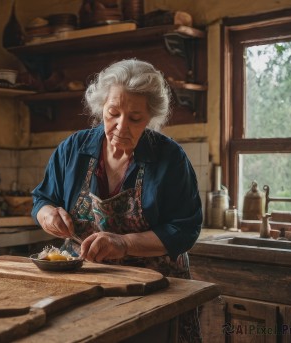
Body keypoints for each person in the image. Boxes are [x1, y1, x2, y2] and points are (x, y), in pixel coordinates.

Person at [31, 59, 203, 342]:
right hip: (85, 283)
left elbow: (185, 229)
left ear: (150, 118)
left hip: (154, 289)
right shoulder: (73, 149)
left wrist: (124, 244)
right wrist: (48, 214)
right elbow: (41, 199)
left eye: (135, 118)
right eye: (113, 113)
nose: (121, 126)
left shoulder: (169, 158)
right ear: (101, 108)